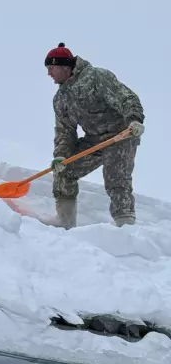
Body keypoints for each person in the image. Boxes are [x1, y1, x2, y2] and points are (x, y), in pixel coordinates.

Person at [44, 43, 144, 228]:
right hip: (95, 139)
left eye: (51, 68)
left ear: (65, 67)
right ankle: (64, 222)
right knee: (64, 171)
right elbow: (65, 131)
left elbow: (126, 98)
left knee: (116, 179)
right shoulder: (60, 99)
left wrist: (134, 120)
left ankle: (126, 226)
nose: (49, 73)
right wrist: (61, 155)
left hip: (121, 134)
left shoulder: (97, 77)